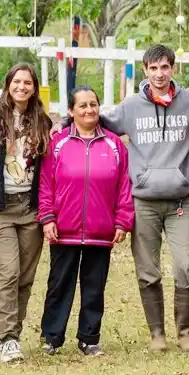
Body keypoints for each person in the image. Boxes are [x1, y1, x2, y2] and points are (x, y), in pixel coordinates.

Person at [51, 44, 189, 353]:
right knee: (148, 269)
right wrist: (63, 123)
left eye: (165, 67)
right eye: (153, 68)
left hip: (181, 201)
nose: (159, 73)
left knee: (185, 267)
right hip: (144, 200)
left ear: (173, 69)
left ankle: (184, 332)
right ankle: (157, 333)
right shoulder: (130, 107)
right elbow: (94, 117)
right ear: (145, 70)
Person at [37, 86, 134, 356]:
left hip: (101, 230)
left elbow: (124, 186)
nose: (89, 110)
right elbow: (46, 184)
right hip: (64, 229)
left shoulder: (115, 145)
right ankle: (52, 337)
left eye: (93, 104)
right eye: (82, 105)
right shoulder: (58, 144)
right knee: (59, 283)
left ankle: (89, 338)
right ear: (71, 111)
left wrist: (122, 222)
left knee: (94, 286)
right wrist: (47, 218)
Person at [0, 63, 53, 363]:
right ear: (8, 84)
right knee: (8, 272)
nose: (22, 87)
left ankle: (13, 336)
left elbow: (46, 166)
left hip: (29, 208)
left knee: (26, 277)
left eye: (27, 82)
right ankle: (6, 338)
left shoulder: (42, 121)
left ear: (34, 87)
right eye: (17, 81)